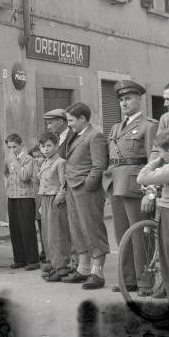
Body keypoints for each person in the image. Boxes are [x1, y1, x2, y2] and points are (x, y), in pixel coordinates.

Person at [103, 80, 158, 294]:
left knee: (140, 233)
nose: (124, 103)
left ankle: (145, 281)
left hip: (136, 184)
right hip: (116, 183)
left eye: (128, 98)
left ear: (139, 100)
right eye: (121, 99)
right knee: (121, 233)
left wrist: (150, 190)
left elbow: (153, 159)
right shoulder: (116, 127)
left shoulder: (148, 125)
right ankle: (128, 279)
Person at [61, 102, 109, 289]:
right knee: (77, 229)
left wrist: (88, 184)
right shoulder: (76, 135)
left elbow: (99, 166)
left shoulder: (95, 136)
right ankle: (83, 269)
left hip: (86, 189)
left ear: (83, 118)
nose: (69, 124)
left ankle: (98, 273)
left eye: (71, 120)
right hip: (73, 188)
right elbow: (63, 154)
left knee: (92, 229)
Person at [137, 130, 169, 302]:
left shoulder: (167, 168)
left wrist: (156, 161)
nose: (159, 155)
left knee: (166, 258)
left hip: (167, 212)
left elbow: (142, 178)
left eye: (160, 151)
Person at [37, 132, 71, 282]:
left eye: (49, 146)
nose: (46, 149)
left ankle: (61, 267)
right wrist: (40, 205)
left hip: (55, 199)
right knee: (47, 234)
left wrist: (60, 197)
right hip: (45, 199)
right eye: (43, 146)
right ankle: (53, 263)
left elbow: (64, 183)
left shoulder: (60, 162)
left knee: (57, 234)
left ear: (56, 146)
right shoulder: (44, 162)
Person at [4, 134, 40, 271]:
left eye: (14, 146)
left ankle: (32, 260)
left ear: (21, 145)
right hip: (12, 196)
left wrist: (15, 161)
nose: (12, 149)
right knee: (15, 228)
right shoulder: (8, 159)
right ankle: (19, 258)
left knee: (27, 228)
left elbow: (25, 176)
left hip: (25, 196)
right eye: (9, 147)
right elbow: (6, 172)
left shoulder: (28, 159)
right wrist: (9, 185)